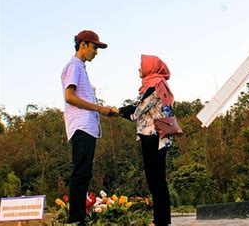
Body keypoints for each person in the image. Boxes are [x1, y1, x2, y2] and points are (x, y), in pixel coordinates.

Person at [61, 30, 118, 225]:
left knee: (84, 173)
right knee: (80, 172)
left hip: (87, 127)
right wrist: (100, 108)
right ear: (83, 44)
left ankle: (78, 218)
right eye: (94, 47)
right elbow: (69, 96)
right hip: (81, 126)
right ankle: (76, 219)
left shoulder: (80, 67)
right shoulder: (74, 66)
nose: (96, 52)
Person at [119, 54, 174, 226]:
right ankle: (161, 219)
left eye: (141, 65)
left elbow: (138, 110)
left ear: (150, 67)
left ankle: (161, 220)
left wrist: (116, 111)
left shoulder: (155, 85)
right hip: (154, 135)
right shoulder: (154, 85)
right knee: (156, 178)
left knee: (155, 178)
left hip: (153, 136)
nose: (139, 69)